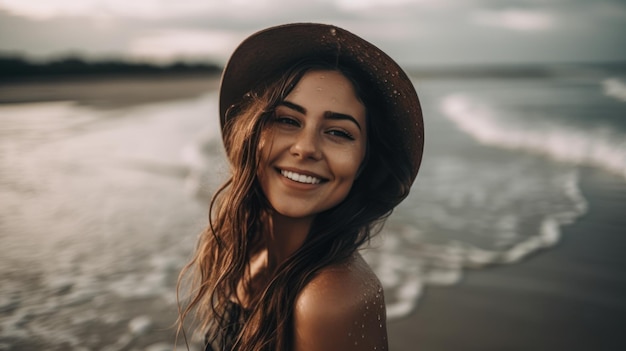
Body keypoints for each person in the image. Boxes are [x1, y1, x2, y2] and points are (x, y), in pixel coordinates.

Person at [177, 23, 424, 351]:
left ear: (365, 161)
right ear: (251, 132)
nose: (306, 148)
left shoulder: (332, 299)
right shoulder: (250, 257)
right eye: (287, 120)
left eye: (338, 132)